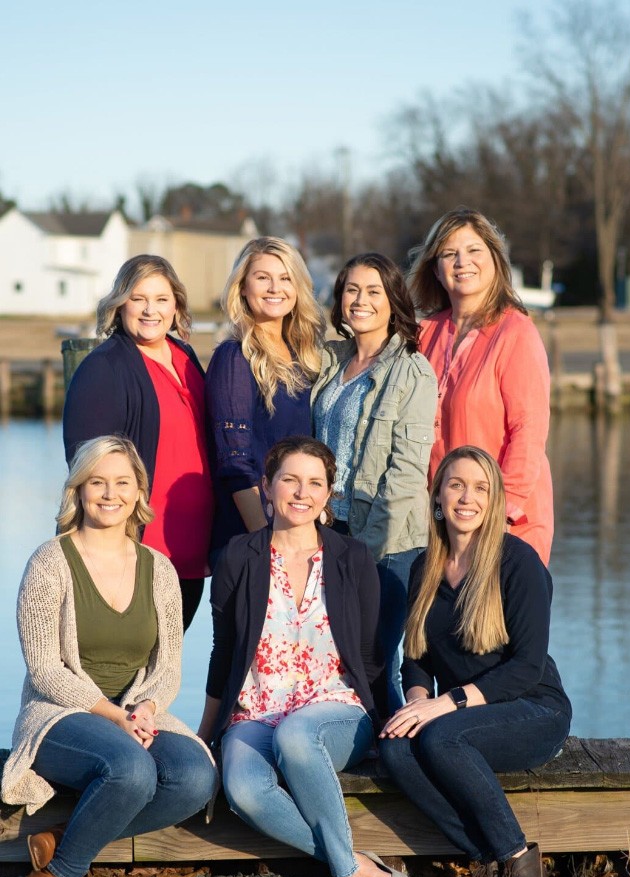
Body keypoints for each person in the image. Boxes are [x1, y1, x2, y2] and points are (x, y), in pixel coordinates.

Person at [2, 436, 217, 877]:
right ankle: (60, 873)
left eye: (122, 483)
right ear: (78, 490)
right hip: (60, 716)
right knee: (132, 770)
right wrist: (116, 716)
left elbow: (168, 665)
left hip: (134, 714)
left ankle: (63, 835)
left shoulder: (159, 569)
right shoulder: (49, 562)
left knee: (195, 777)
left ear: (139, 492)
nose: (109, 493)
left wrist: (142, 709)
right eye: (96, 482)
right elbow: (45, 669)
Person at [197, 436, 410, 877]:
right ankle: (361, 869)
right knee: (244, 790)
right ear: (266, 487)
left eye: (315, 483)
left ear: (328, 494)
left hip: (335, 710)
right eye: (289, 479)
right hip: (255, 710)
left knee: (297, 736)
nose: (301, 492)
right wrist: (206, 736)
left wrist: (384, 723)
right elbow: (223, 653)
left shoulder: (353, 559)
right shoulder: (237, 557)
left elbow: (372, 658)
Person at [380, 446, 571, 877]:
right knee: (395, 747)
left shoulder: (518, 563)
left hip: (534, 708)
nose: (468, 497)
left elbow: (526, 667)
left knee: (443, 737)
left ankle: (520, 863)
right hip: (462, 713)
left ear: (495, 499)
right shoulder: (424, 567)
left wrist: (446, 704)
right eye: (457, 485)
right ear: (438, 496)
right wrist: (418, 701)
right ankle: (485, 861)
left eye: (481, 487)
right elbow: (417, 658)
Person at [311, 253, 437, 712]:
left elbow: (406, 475)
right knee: (333, 658)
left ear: (393, 302)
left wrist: (366, 550)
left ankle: (396, 759)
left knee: (375, 661)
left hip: (387, 544)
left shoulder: (412, 371)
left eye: (373, 291)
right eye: (351, 289)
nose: (360, 300)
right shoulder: (331, 360)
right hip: (330, 532)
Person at [63, 255, 214, 630]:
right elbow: (89, 469)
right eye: (138, 298)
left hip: (190, 548)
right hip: (140, 549)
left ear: (176, 304)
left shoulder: (185, 355)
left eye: (162, 299)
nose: (151, 310)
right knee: (124, 671)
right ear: (120, 304)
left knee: (161, 675)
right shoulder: (105, 367)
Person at [408, 207, 553, 565]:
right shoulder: (424, 335)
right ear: (436, 269)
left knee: (495, 621)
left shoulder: (515, 332)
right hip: (441, 525)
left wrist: (500, 515)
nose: (462, 262)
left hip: (504, 524)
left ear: (494, 259)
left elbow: (529, 431)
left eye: (474, 250)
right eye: (449, 253)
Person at [205, 237, 326, 563]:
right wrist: (267, 543)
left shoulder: (307, 357)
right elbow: (233, 462)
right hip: (252, 540)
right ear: (243, 287)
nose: (275, 288)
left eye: (285, 278)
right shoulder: (234, 356)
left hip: (297, 533)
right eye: (263, 278)